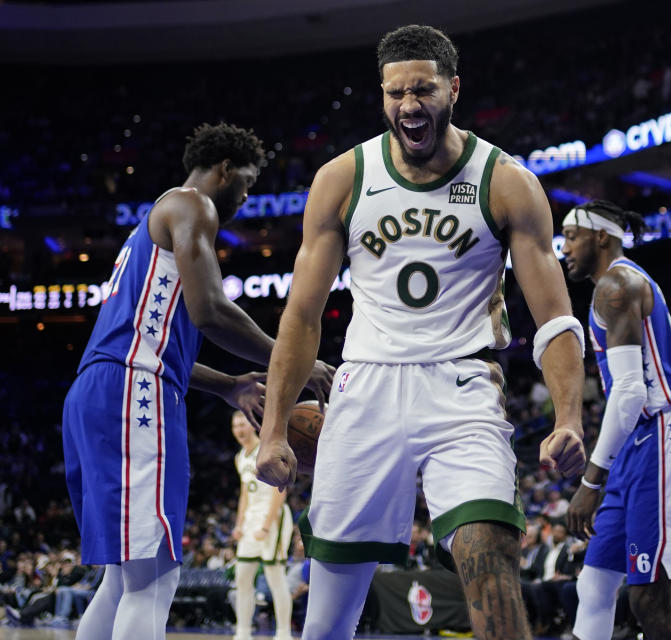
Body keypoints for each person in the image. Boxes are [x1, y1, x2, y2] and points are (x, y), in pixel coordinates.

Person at [255, 25, 586, 640]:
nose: (409, 105)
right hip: (366, 390)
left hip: (462, 388)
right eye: (396, 93)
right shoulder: (342, 177)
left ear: (453, 89)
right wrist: (274, 429)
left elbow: (556, 319)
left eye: (423, 90)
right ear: (382, 96)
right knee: (327, 619)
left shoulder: (506, 180)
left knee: (491, 566)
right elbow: (300, 316)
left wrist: (569, 416)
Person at [61, 123, 334, 640]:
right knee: (156, 580)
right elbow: (210, 310)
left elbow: (155, 343)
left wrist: (229, 384)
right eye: (247, 182)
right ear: (224, 170)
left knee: (122, 580)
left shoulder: (151, 227)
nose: (247, 196)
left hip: (100, 391)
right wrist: (291, 360)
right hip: (134, 393)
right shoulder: (192, 205)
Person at [561, 200, 671, 640]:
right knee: (594, 583)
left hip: (663, 432)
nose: (564, 247)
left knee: (648, 600)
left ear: (601, 237)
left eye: (572, 237)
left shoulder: (618, 283)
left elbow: (630, 392)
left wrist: (591, 482)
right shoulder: (609, 287)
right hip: (636, 442)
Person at [231, 411, 294, 640]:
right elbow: (245, 494)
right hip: (252, 519)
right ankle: (243, 632)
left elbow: (281, 489)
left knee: (275, 575)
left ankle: (284, 633)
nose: (239, 429)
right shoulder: (240, 457)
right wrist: (240, 524)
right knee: (242, 576)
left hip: (273, 518)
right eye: (235, 425)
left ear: (253, 426)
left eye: (242, 424)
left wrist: (267, 526)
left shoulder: (266, 450)